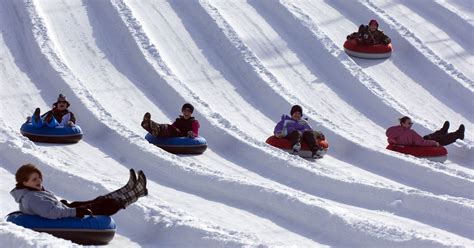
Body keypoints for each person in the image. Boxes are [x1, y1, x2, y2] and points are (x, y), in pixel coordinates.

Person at [10, 164, 148, 219]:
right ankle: (136, 193)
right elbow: (52, 213)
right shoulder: (32, 197)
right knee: (109, 204)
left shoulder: (31, 193)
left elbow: (50, 207)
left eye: (39, 177)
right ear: (24, 183)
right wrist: (76, 211)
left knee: (98, 200)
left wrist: (63, 204)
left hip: (65, 210)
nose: (39, 180)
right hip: (67, 216)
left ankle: (128, 189)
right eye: (34, 179)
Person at [386, 116, 465, 147]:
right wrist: (434, 143)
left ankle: (442, 131)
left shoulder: (395, 130)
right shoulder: (410, 133)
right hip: (419, 146)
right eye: (409, 123)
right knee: (438, 140)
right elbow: (421, 142)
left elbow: (390, 139)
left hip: (413, 143)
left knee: (428, 137)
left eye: (411, 123)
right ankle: (458, 134)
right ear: (402, 123)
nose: (411, 124)